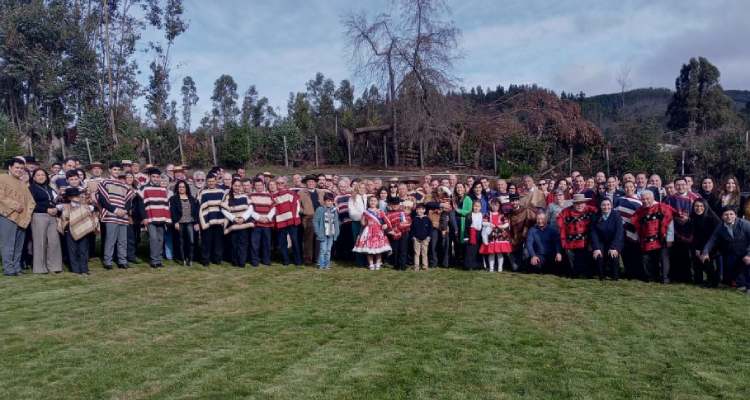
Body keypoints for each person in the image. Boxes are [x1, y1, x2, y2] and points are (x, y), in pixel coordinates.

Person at [701, 207, 750, 294]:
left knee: (747, 263)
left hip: (747, 251)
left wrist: (749, 255)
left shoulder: (745, 224)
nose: (729, 216)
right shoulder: (720, 226)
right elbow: (712, 240)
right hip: (733, 252)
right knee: (733, 271)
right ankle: (741, 285)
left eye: (731, 214)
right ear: (722, 216)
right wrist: (705, 252)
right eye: (726, 214)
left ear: (735, 215)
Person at [0, 158, 35, 276]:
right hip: (7, 216)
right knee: (8, 244)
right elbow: (1, 196)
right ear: (10, 167)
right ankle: (8, 269)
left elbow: (30, 200)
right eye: (17, 168)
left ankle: (17, 267)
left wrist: (28, 212)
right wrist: (15, 205)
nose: (19, 170)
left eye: (21, 168)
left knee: (19, 245)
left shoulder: (22, 183)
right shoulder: (2, 178)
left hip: (22, 217)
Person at [97, 162, 134, 270]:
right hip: (111, 215)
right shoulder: (104, 182)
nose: (116, 172)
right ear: (109, 170)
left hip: (122, 216)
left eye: (118, 170)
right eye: (114, 169)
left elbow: (128, 201)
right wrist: (115, 209)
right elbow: (102, 200)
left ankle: (122, 261)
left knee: (123, 240)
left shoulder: (124, 185)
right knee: (110, 239)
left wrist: (125, 210)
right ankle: (108, 261)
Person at [632, 190, 673, 284]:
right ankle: (651, 277)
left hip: (662, 238)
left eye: (647, 199)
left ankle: (665, 278)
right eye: (643, 199)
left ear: (653, 198)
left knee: (663, 259)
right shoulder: (640, 211)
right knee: (647, 259)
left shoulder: (662, 207)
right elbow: (637, 224)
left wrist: (670, 238)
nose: (645, 201)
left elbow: (670, 222)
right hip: (647, 239)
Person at [664, 177, 700, 283]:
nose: (680, 187)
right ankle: (676, 277)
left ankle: (690, 277)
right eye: (678, 185)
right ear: (675, 186)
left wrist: (689, 219)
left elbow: (699, 213)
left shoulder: (695, 198)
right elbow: (666, 217)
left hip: (691, 231)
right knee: (676, 255)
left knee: (690, 256)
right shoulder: (669, 199)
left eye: (683, 184)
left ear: (687, 185)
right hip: (675, 231)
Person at [28, 168, 63, 274]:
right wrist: (45, 209)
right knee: (40, 242)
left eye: (42, 175)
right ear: (33, 177)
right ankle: (40, 268)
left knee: (54, 241)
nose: (40, 177)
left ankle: (54, 266)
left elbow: (54, 201)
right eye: (38, 175)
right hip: (39, 216)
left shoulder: (49, 188)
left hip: (52, 216)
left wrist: (56, 209)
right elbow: (31, 204)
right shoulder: (31, 189)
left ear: (46, 176)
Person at [57, 187, 97, 275]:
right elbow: (56, 207)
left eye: (76, 195)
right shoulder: (64, 206)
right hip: (69, 230)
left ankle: (84, 269)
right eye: (73, 196)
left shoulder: (86, 206)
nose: (76, 197)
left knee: (83, 250)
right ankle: (75, 269)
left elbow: (93, 208)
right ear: (69, 198)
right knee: (72, 250)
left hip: (83, 230)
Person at [557, 193, 597, 278]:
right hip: (570, 242)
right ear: (573, 204)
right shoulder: (566, 212)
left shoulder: (590, 210)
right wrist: (563, 239)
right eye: (577, 203)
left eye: (582, 203)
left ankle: (585, 273)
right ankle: (574, 273)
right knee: (572, 264)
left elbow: (599, 212)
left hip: (585, 242)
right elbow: (560, 223)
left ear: (585, 203)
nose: (580, 205)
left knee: (584, 261)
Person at [140, 168, 171, 268]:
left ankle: (159, 259)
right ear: (150, 177)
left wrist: (167, 218)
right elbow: (141, 205)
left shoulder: (162, 189)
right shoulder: (144, 188)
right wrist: (144, 218)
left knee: (160, 239)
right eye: (153, 176)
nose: (155, 179)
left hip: (161, 218)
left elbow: (165, 205)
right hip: (150, 218)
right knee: (153, 239)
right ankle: (154, 260)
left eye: (157, 177)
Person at [353, 195, 392, 270]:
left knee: (379, 249)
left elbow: (387, 221)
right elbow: (363, 223)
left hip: (378, 231)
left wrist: (386, 225)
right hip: (368, 232)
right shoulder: (366, 212)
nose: (373, 202)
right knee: (369, 249)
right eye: (371, 201)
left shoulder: (380, 211)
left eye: (374, 201)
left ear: (377, 202)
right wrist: (362, 220)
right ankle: (371, 264)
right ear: (368, 202)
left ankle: (378, 264)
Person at [221, 179, 253, 268]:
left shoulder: (245, 196)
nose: (237, 187)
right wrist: (234, 218)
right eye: (235, 185)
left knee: (243, 243)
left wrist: (243, 218)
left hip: (243, 223)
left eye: (239, 186)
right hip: (233, 223)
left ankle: (242, 262)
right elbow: (223, 209)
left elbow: (250, 208)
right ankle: (235, 261)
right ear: (232, 186)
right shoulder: (228, 196)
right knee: (234, 243)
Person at [615, 181, 643, 280]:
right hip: (621, 231)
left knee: (634, 252)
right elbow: (616, 214)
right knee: (625, 252)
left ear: (634, 187)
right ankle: (628, 272)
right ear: (623, 188)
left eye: (631, 186)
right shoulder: (619, 200)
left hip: (634, 230)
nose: (628, 189)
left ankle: (636, 272)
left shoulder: (640, 201)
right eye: (626, 187)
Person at [591, 198, 624, 280]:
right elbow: (593, 233)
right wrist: (596, 248)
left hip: (614, 241)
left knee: (613, 255)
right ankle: (601, 276)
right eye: (604, 205)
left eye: (608, 205)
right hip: (601, 241)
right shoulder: (595, 216)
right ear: (600, 206)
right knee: (598, 255)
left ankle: (615, 276)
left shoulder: (616, 215)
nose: (606, 207)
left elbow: (619, 232)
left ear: (611, 206)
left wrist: (614, 247)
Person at [689, 199, 720, 287]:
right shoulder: (693, 217)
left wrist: (703, 250)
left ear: (705, 207)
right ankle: (698, 280)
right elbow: (696, 234)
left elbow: (713, 237)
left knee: (706, 261)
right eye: (696, 206)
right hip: (698, 243)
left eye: (701, 206)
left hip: (711, 244)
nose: (699, 208)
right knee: (696, 260)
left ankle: (713, 282)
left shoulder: (712, 218)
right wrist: (697, 248)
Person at [273, 177, 302, 266]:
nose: (280, 185)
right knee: (282, 242)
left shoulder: (291, 193)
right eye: (278, 183)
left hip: (291, 221)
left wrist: (295, 218)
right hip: (280, 221)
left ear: (285, 183)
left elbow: (296, 206)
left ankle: (297, 260)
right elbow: (273, 208)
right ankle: (286, 260)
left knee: (295, 241)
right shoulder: (274, 196)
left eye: (282, 183)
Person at [198, 174, 227, 266]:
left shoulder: (222, 192)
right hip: (208, 220)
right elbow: (200, 207)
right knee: (206, 242)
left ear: (216, 181)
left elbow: (225, 205)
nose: (211, 183)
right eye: (209, 181)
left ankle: (217, 259)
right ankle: (205, 260)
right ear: (207, 182)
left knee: (218, 242)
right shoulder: (202, 192)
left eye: (213, 181)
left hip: (219, 220)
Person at [169, 180, 199, 266]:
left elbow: (195, 211)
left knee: (191, 241)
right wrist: (175, 222)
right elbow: (173, 211)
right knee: (180, 242)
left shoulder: (191, 198)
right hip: (180, 222)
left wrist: (196, 222)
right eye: (180, 187)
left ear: (186, 188)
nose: (181, 188)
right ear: (177, 188)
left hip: (190, 222)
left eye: (183, 187)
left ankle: (190, 258)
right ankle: (183, 259)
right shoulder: (173, 199)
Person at [247, 178, 276, 267]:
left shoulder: (269, 195)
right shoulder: (250, 196)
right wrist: (259, 218)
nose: (259, 187)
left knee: (266, 243)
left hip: (267, 223)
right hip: (256, 224)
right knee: (255, 244)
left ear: (263, 185)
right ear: (254, 186)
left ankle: (266, 260)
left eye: (260, 185)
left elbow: (273, 207)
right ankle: (255, 261)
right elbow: (249, 209)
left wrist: (268, 217)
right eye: (257, 185)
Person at [479, 199, 511, 272]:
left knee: (499, 253)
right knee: (491, 253)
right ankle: (491, 268)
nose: (495, 207)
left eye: (496, 205)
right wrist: (490, 224)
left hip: (500, 236)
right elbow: (483, 223)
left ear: (499, 206)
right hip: (491, 236)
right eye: (493, 205)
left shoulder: (502, 214)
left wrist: (502, 226)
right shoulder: (488, 214)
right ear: (491, 205)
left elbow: (507, 223)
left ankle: (500, 268)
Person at [298, 174, 324, 265]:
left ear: (315, 183)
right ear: (306, 183)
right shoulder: (301, 193)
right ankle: (308, 259)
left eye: (313, 182)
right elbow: (297, 205)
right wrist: (304, 211)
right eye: (309, 182)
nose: (311, 183)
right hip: (309, 217)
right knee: (308, 239)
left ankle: (317, 258)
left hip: (320, 218)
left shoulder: (321, 192)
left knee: (319, 239)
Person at [507, 193, 536, 271]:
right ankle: (517, 267)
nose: (514, 203)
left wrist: (526, 232)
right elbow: (509, 228)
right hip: (515, 238)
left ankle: (526, 268)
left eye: (516, 200)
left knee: (526, 253)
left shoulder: (526, 210)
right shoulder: (509, 214)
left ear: (519, 201)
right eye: (512, 201)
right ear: (510, 202)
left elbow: (534, 220)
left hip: (526, 237)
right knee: (514, 266)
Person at [314, 192, 340, 269]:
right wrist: (318, 232)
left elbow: (336, 222)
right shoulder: (320, 209)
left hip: (331, 233)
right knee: (323, 250)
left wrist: (337, 232)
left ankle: (327, 265)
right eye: (328, 201)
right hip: (323, 233)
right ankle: (321, 265)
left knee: (328, 250)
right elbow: (315, 221)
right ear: (324, 201)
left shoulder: (334, 210)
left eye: (331, 201)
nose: (329, 202)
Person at [385, 197, 410, 270]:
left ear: (399, 205)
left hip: (403, 233)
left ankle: (403, 265)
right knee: (395, 250)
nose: (395, 205)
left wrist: (398, 228)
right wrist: (390, 231)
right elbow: (386, 225)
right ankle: (396, 265)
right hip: (393, 234)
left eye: (396, 204)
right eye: (393, 204)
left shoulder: (403, 213)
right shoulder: (388, 214)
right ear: (391, 205)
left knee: (403, 249)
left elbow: (407, 222)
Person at [410, 203, 432, 271]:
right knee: (417, 253)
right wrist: (413, 237)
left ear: (424, 210)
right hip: (416, 239)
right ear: (416, 210)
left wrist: (429, 237)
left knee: (424, 253)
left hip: (425, 239)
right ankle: (416, 266)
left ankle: (425, 266)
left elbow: (430, 229)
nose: (419, 211)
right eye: (418, 209)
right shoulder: (414, 219)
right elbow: (412, 229)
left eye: (421, 209)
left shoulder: (427, 219)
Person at [463, 201, 484, 270]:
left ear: (480, 207)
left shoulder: (482, 215)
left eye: (478, 206)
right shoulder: (469, 215)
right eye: (475, 206)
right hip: (471, 234)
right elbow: (466, 227)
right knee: (470, 251)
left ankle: (478, 265)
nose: (476, 208)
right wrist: (466, 237)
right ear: (472, 206)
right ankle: (469, 266)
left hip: (479, 235)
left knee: (478, 250)